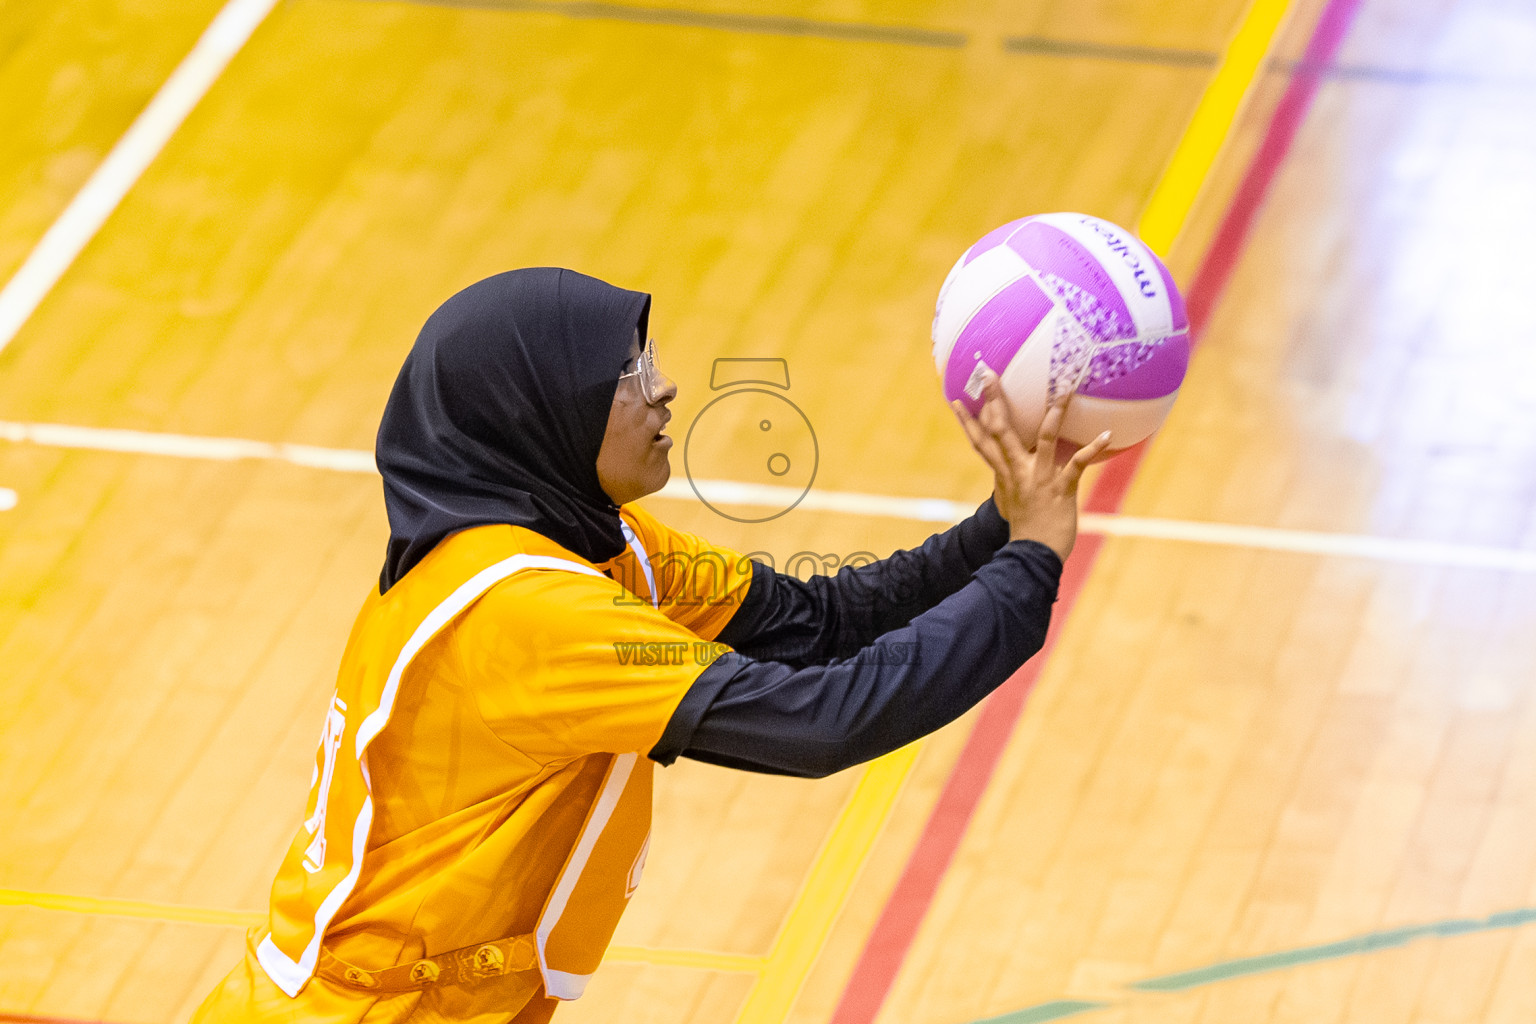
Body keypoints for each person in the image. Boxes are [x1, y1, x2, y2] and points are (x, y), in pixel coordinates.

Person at [191, 267, 1110, 1023]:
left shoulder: (596, 541)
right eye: (627, 373)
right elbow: (821, 723)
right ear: (541, 409)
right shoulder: (526, 613)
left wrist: (1003, 524)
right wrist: (1030, 564)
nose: (663, 388)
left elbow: (820, 623)